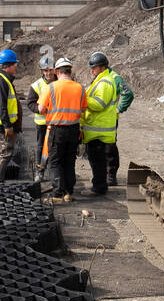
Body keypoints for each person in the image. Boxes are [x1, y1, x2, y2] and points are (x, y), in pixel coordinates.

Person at [81, 51, 135, 195]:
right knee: (100, 152)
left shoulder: (113, 78)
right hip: (102, 120)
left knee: (108, 149)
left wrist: (119, 109)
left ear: (102, 66)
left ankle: (110, 175)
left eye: (94, 67)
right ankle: (104, 178)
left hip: (106, 120)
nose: (91, 71)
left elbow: (128, 94)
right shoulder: (100, 77)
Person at [37, 58, 86, 203]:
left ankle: (58, 193)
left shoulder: (51, 87)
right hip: (73, 129)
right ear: (70, 71)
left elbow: (40, 109)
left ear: (57, 72)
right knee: (69, 161)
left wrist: (52, 112)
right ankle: (68, 192)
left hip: (57, 130)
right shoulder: (79, 88)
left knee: (56, 161)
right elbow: (83, 108)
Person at [0, 50, 23, 183]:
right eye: (15, 64)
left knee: (2, 153)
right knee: (4, 152)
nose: (16, 67)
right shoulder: (0, 81)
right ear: (8, 65)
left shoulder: (5, 80)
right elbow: (1, 106)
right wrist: (7, 125)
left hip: (2, 123)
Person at [26, 54, 57, 161]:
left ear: (55, 69)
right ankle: (40, 168)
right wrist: (40, 109)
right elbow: (30, 103)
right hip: (42, 123)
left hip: (58, 122)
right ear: (42, 71)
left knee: (55, 146)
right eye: (45, 71)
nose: (48, 73)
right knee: (41, 146)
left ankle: (53, 168)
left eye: (50, 70)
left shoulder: (61, 82)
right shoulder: (36, 85)